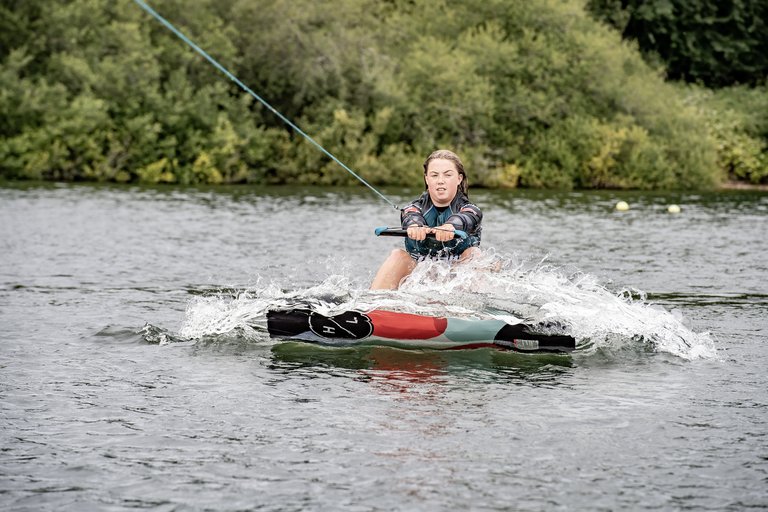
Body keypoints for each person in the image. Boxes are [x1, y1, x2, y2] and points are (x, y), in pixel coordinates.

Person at [370, 149, 483, 290]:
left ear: (459, 178)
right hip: (419, 276)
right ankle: (372, 304)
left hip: (457, 278)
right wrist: (415, 226)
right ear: (426, 179)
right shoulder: (413, 208)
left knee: (474, 254)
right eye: (434, 175)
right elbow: (410, 216)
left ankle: (471, 305)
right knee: (398, 255)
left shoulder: (471, 210)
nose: (440, 181)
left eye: (447, 175)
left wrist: (450, 226)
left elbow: (467, 217)